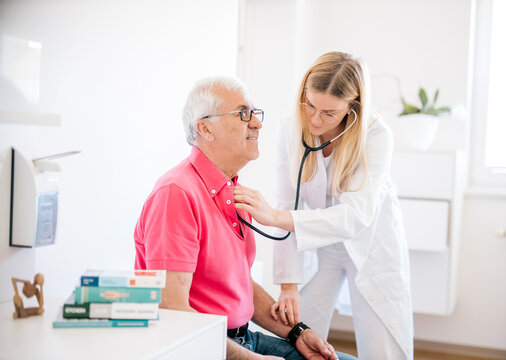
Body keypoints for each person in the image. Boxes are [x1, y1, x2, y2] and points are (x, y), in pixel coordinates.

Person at [134, 76, 358, 360]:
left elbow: (238, 284)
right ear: (206, 128)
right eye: (243, 114)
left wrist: (298, 332)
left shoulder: (232, 191)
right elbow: (173, 309)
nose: (257, 123)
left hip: (243, 337)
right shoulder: (176, 194)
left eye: (255, 113)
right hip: (202, 349)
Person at [233, 52, 414, 359]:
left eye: (329, 113)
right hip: (317, 247)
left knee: (383, 348)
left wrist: (277, 217)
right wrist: (288, 285)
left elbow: (355, 216)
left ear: (352, 108)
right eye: (310, 105)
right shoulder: (290, 129)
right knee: (303, 341)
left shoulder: (376, 134)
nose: (315, 120)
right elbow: (287, 203)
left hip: (371, 248)